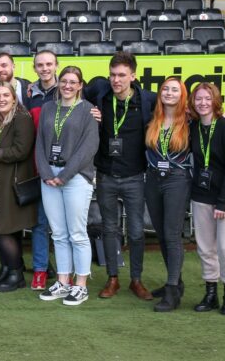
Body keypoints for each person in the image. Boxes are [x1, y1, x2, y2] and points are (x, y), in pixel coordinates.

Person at [83, 51, 156, 301]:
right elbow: (71, 94)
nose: (116, 80)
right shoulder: (100, 96)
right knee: (110, 229)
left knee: (136, 231)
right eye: (113, 74)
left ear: (133, 76)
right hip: (105, 175)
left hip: (135, 176)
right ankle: (112, 278)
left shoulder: (147, 101)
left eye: (122, 75)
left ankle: (136, 279)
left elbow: (176, 107)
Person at [36, 66, 99, 306]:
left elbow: (88, 147)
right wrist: (45, 172)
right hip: (49, 176)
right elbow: (40, 143)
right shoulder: (48, 108)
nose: (68, 86)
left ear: (80, 85)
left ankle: (80, 285)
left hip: (76, 177)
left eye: (73, 82)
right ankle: (63, 282)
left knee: (77, 234)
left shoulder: (88, 111)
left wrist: (65, 175)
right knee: (59, 234)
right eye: (64, 81)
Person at [189, 82, 225, 316]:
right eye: (198, 99)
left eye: (207, 98)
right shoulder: (193, 127)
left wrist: (223, 202)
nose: (203, 103)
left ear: (215, 101)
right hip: (202, 195)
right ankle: (210, 292)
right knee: (205, 248)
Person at [0, 82, 38, 293]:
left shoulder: (22, 119)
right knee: (2, 228)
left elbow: (21, 151)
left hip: (12, 182)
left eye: (5, 95)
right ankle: (8, 268)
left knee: (3, 228)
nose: (1, 99)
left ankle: (16, 274)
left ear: (14, 98)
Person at [143, 77, 191, 312]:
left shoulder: (189, 122)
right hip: (153, 180)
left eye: (174, 90)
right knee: (161, 234)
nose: (169, 93)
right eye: (165, 89)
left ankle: (172, 291)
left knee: (172, 235)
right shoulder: (154, 119)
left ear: (182, 95)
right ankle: (176, 282)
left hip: (177, 180)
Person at [23, 50, 59, 290]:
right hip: (37, 167)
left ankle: (70, 272)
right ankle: (40, 270)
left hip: (64, 167)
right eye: (40, 65)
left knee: (64, 226)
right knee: (40, 223)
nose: (44, 68)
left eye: (49, 64)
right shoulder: (30, 95)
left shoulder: (69, 89)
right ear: (34, 68)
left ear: (56, 65)